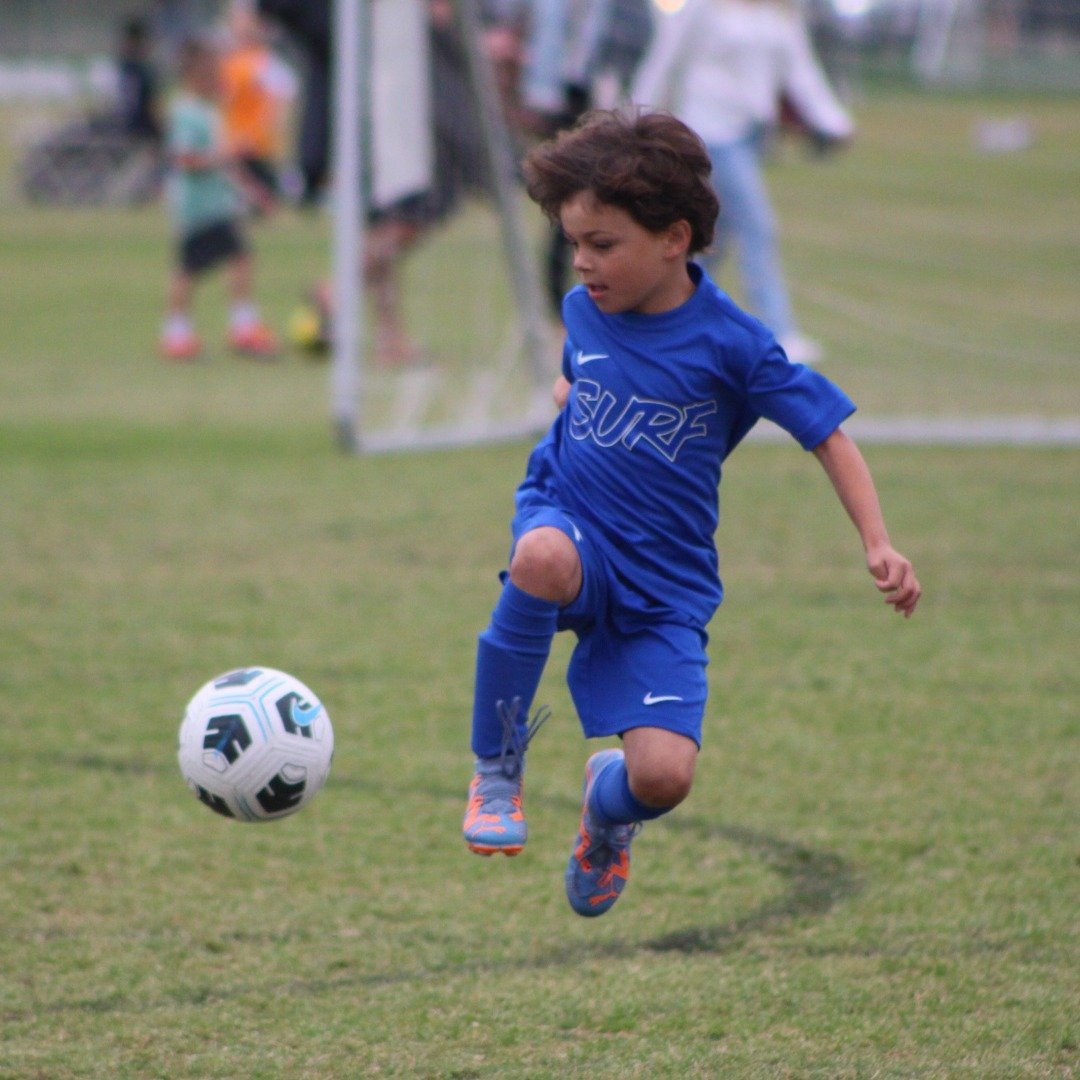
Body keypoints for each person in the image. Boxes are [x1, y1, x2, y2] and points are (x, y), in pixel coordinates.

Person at [461, 109, 920, 918]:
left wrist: (878, 543)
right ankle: (497, 767)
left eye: (603, 244)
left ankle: (607, 810)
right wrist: (576, 402)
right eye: (574, 243)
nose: (582, 263)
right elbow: (582, 379)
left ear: (674, 238)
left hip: (663, 582)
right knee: (540, 559)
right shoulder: (582, 308)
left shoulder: (734, 344)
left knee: (663, 778)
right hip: (569, 517)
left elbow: (828, 435)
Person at [631, 0, 854, 365]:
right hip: (710, 132)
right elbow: (666, 58)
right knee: (758, 226)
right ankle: (777, 332)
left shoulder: (781, 11)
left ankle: (660, 317)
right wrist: (634, 119)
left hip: (752, 135)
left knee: (712, 242)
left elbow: (800, 69)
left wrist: (833, 121)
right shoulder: (705, 8)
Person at [160, 35, 278, 361]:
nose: (218, 77)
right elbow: (184, 159)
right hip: (197, 209)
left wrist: (254, 191)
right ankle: (189, 334)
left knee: (227, 260)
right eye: (212, 70)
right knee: (194, 269)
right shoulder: (186, 112)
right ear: (196, 73)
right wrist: (222, 155)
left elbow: (223, 163)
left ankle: (220, 329)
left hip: (216, 205)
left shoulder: (207, 112)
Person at [219, 1, 297, 204]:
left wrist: (265, 131)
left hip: (255, 148)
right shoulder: (228, 61)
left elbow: (282, 98)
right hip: (231, 144)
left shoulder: (263, 62)